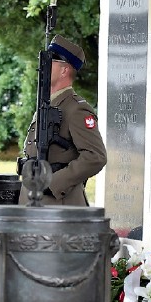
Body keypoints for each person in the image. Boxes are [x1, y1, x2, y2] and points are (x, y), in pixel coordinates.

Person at [19, 34, 107, 206]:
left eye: (50, 61)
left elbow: (96, 156)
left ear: (64, 70)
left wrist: (54, 182)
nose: (42, 66)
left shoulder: (76, 109)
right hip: (32, 197)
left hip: (58, 203)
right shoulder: (47, 104)